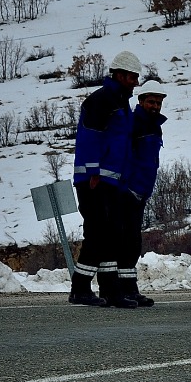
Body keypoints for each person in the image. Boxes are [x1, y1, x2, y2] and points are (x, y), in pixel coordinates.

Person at [69, 49, 142, 307]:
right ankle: (79, 288)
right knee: (98, 233)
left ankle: (111, 291)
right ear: (120, 75)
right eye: (132, 77)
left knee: (111, 235)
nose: (135, 82)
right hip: (94, 181)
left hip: (111, 181)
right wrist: (92, 173)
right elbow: (90, 138)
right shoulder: (101, 100)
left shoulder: (121, 103)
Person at [112, 77, 167, 309]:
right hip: (128, 192)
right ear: (141, 100)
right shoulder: (134, 123)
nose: (155, 106)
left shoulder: (153, 126)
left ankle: (129, 289)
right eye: (151, 102)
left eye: (158, 103)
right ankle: (122, 290)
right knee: (126, 242)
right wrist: (127, 187)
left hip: (142, 191)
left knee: (133, 243)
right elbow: (123, 157)